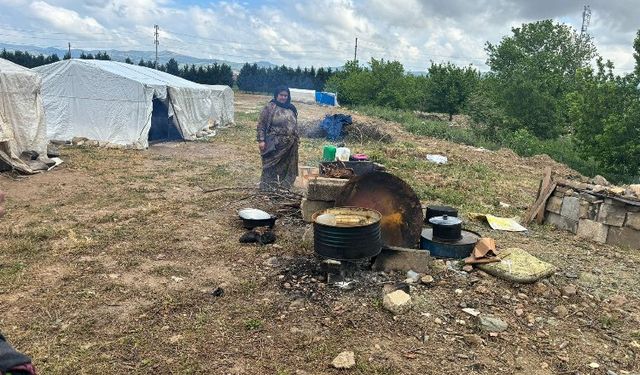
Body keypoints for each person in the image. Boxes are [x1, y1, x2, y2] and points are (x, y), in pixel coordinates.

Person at [256, 86, 299, 191]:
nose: (283, 97)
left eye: (285, 95)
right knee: (271, 167)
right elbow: (261, 124)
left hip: (290, 144)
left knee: (289, 167)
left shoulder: (291, 108)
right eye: (281, 95)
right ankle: (267, 189)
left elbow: (294, 124)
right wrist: (261, 140)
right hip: (275, 144)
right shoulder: (270, 107)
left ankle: (285, 189)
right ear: (276, 95)